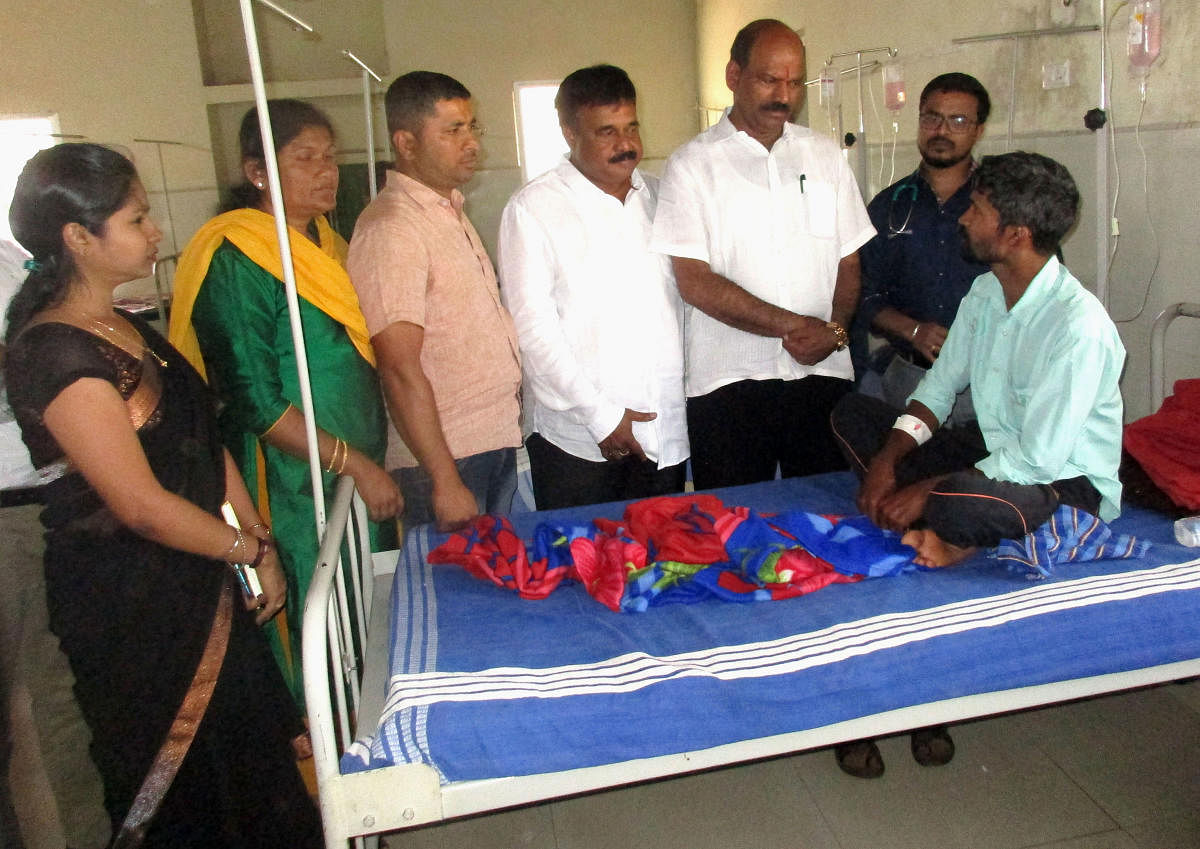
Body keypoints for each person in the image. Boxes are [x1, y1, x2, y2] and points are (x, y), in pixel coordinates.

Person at [4, 143, 321, 847]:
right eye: (137, 218)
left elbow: (202, 441)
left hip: (199, 574)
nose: (156, 233)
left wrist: (258, 540)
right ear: (78, 239)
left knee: (251, 764)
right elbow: (139, 504)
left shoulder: (123, 325)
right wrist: (245, 547)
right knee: (188, 785)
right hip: (136, 603)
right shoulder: (55, 352)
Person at [829, 152, 1124, 775]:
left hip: (1060, 482)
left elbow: (1038, 456)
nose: (964, 215)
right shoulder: (988, 292)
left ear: (1014, 234)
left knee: (968, 492)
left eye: (979, 208)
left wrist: (927, 487)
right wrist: (890, 461)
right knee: (852, 416)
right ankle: (947, 522)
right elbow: (938, 391)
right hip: (993, 452)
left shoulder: (1078, 327)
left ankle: (952, 524)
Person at [170, 99, 401, 703]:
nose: (327, 172)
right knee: (312, 609)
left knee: (362, 613)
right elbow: (255, 402)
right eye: (306, 159)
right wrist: (355, 463)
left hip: (352, 463)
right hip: (295, 473)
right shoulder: (238, 256)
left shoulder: (327, 244)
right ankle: (315, 745)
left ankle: (365, 723)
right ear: (257, 172)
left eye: (331, 157)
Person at [651, 18, 875, 490]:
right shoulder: (693, 165)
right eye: (770, 79)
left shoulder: (825, 157)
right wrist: (797, 328)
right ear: (734, 76)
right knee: (734, 530)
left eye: (795, 82)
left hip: (822, 375)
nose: (785, 95)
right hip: (728, 383)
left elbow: (849, 261)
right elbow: (694, 280)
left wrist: (834, 333)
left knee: (825, 519)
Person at [497, 64, 688, 510]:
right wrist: (602, 418)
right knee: (580, 569)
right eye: (606, 132)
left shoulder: (662, 198)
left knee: (662, 566)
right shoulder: (534, 210)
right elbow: (533, 329)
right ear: (568, 132)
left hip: (664, 433)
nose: (626, 145)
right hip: (579, 442)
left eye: (631, 127)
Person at [348, 71, 522, 532]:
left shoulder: (446, 211)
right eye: (452, 130)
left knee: (491, 584)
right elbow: (399, 367)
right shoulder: (393, 227)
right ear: (406, 143)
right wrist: (443, 479)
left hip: (488, 440)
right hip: (446, 458)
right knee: (458, 595)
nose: (471, 143)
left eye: (472, 127)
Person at [0, 240, 110, 848]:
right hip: (8, 506)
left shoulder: (14, 257)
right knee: (39, 708)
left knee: (59, 698)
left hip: (55, 494)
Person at [852, 73, 992, 421]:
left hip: (989, 386)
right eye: (932, 117)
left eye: (958, 120)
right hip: (909, 381)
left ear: (978, 130)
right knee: (907, 472)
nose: (941, 131)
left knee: (977, 475)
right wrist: (912, 331)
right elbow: (861, 294)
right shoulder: (890, 207)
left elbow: (1037, 292)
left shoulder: (999, 206)